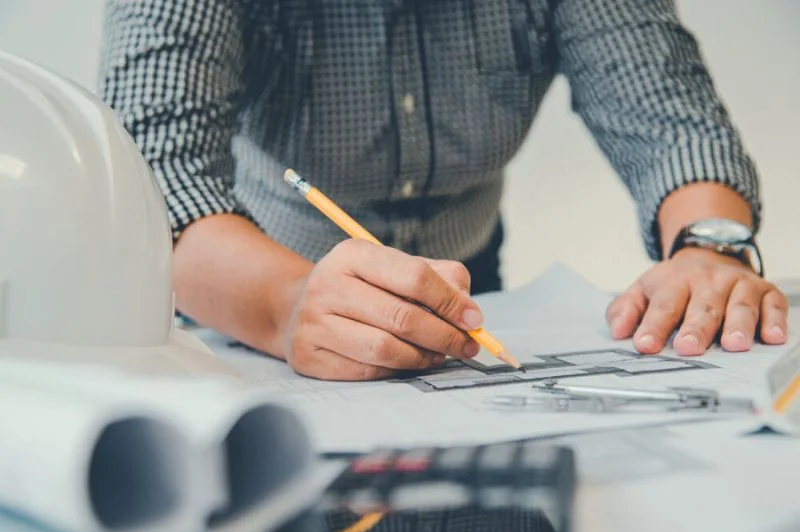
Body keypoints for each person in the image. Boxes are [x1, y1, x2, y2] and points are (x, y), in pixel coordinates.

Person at [99, 0, 788, 381]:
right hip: (252, 296)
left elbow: (671, 116)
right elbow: (155, 178)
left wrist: (707, 249)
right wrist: (286, 306)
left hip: (471, 283)